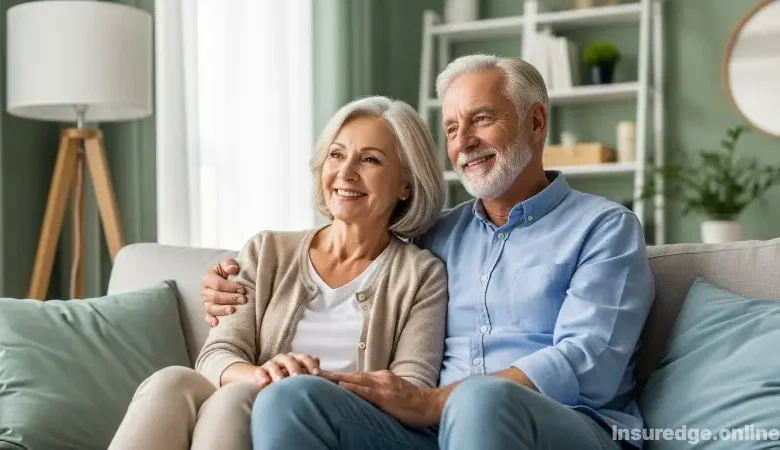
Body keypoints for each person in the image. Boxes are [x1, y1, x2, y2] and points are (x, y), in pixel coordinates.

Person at [202, 54, 655, 450]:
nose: (464, 142)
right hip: (432, 433)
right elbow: (364, 253)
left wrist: (439, 399)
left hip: (572, 428)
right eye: (453, 129)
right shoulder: (435, 235)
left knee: (477, 399)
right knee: (292, 399)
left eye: (481, 119)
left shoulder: (605, 228)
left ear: (535, 123)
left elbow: (589, 361)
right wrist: (225, 278)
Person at [108, 96, 449, 450]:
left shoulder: (421, 275)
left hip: (330, 424)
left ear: (405, 184)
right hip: (252, 395)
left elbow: (413, 387)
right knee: (172, 382)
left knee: (232, 401)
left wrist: (313, 385)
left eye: (370, 159)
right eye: (336, 154)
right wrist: (264, 375)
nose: (345, 172)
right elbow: (217, 354)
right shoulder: (267, 251)